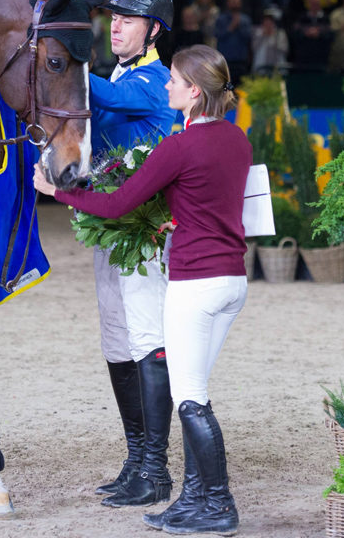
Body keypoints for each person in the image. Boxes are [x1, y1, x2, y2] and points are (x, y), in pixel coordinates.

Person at [33, 43, 251, 536]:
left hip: (195, 283)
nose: (167, 86)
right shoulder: (238, 140)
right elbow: (208, 201)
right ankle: (195, 497)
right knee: (195, 390)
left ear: (194, 92)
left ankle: (218, 505)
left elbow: (120, 204)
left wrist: (57, 191)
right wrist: (175, 219)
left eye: (174, 80)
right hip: (233, 281)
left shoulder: (178, 145)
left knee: (190, 397)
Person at [86, 0, 177, 509]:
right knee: (118, 342)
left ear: (153, 30)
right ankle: (136, 458)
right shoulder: (120, 73)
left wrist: (63, 58)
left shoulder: (154, 80)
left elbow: (103, 95)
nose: (114, 25)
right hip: (110, 227)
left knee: (145, 339)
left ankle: (157, 470)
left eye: (126, 19)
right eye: (110, 18)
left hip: (146, 232)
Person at [214, 0, 252, 83]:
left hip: (241, 62)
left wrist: (239, 26)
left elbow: (248, 38)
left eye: (236, 1)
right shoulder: (221, 19)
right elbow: (218, 36)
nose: (234, 3)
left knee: (241, 91)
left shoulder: (246, 20)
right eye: (232, 1)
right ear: (228, 3)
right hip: (225, 62)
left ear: (240, 3)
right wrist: (231, 27)